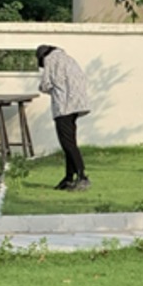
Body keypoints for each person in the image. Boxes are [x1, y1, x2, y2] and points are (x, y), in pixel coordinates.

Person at [35, 44, 91, 191]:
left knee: (67, 144)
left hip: (63, 106)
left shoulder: (49, 60)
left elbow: (45, 84)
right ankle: (68, 178)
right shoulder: (68, 59)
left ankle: (82, 176)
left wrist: (43, 88)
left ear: (41, 57)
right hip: (76, 105)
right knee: (70, 143)